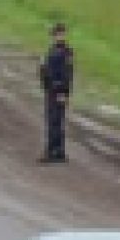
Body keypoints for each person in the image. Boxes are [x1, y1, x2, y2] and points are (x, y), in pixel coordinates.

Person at [38, 22, 73, 162]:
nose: (57, 37)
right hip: (51, 90)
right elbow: (49, 71)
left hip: (58, 91)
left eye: (59, 34)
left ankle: (53, 152)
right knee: (53, 121)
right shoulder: (53, 50)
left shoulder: (65, 52)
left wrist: (63, 92)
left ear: (63, 35)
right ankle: (57, 151)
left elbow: (67, 74)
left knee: (55, 122)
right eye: (55, 34)